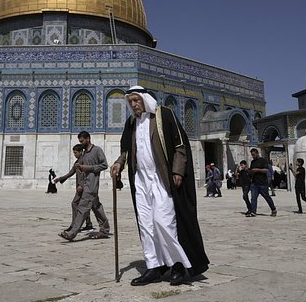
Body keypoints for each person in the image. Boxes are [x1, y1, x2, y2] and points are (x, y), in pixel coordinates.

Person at [110, 85, 209, 286]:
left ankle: (179, 266)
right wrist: (119, 163)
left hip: (161, 179)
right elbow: (127, 150)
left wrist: (177, 171)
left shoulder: (163, 115)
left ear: (145, 99)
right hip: (141, 180)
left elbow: (180, 145)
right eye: (130, 102)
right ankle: (154, 267)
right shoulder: (131, 123)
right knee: (146, 224)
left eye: (136, 100)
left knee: (163, 221)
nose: (133, 104)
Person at [59, 131, 110, 241]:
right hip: (86, 184)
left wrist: (89, 168)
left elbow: (104, 165)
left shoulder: (97, 150)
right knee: (96, 207)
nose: (81, 143)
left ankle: (72, 233)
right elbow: (78, 169)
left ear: (88, 139)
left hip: (92, 185)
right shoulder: (85, 154)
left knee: (82, 208)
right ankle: (104, 229)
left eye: (82, 141)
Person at [53, 144, 93, 232]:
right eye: (74, 153)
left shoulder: (84, 161)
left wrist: (81, 185)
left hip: (83, 188)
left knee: (74, 204)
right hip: (80, 187)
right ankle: (88, 224)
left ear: (80, 152)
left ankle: (75, 225)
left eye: (76, 153)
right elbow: (71, 173)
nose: (74, 155)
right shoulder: (77, 162)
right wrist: (60, 179)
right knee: (83, 205)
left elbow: (85, 175)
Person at [246, 148, 277, 217]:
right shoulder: (252, 162)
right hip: (254, 183)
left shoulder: (263, 161)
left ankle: (273, 209)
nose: (253, 156)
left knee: (267, 197)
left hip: (262, 183)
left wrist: (257, 170)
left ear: (257, 153)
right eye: (252, 155)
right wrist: (249, 171)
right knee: (253, 198)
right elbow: (251, 171)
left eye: (254, 154)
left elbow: (266, 170)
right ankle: (253, 212)